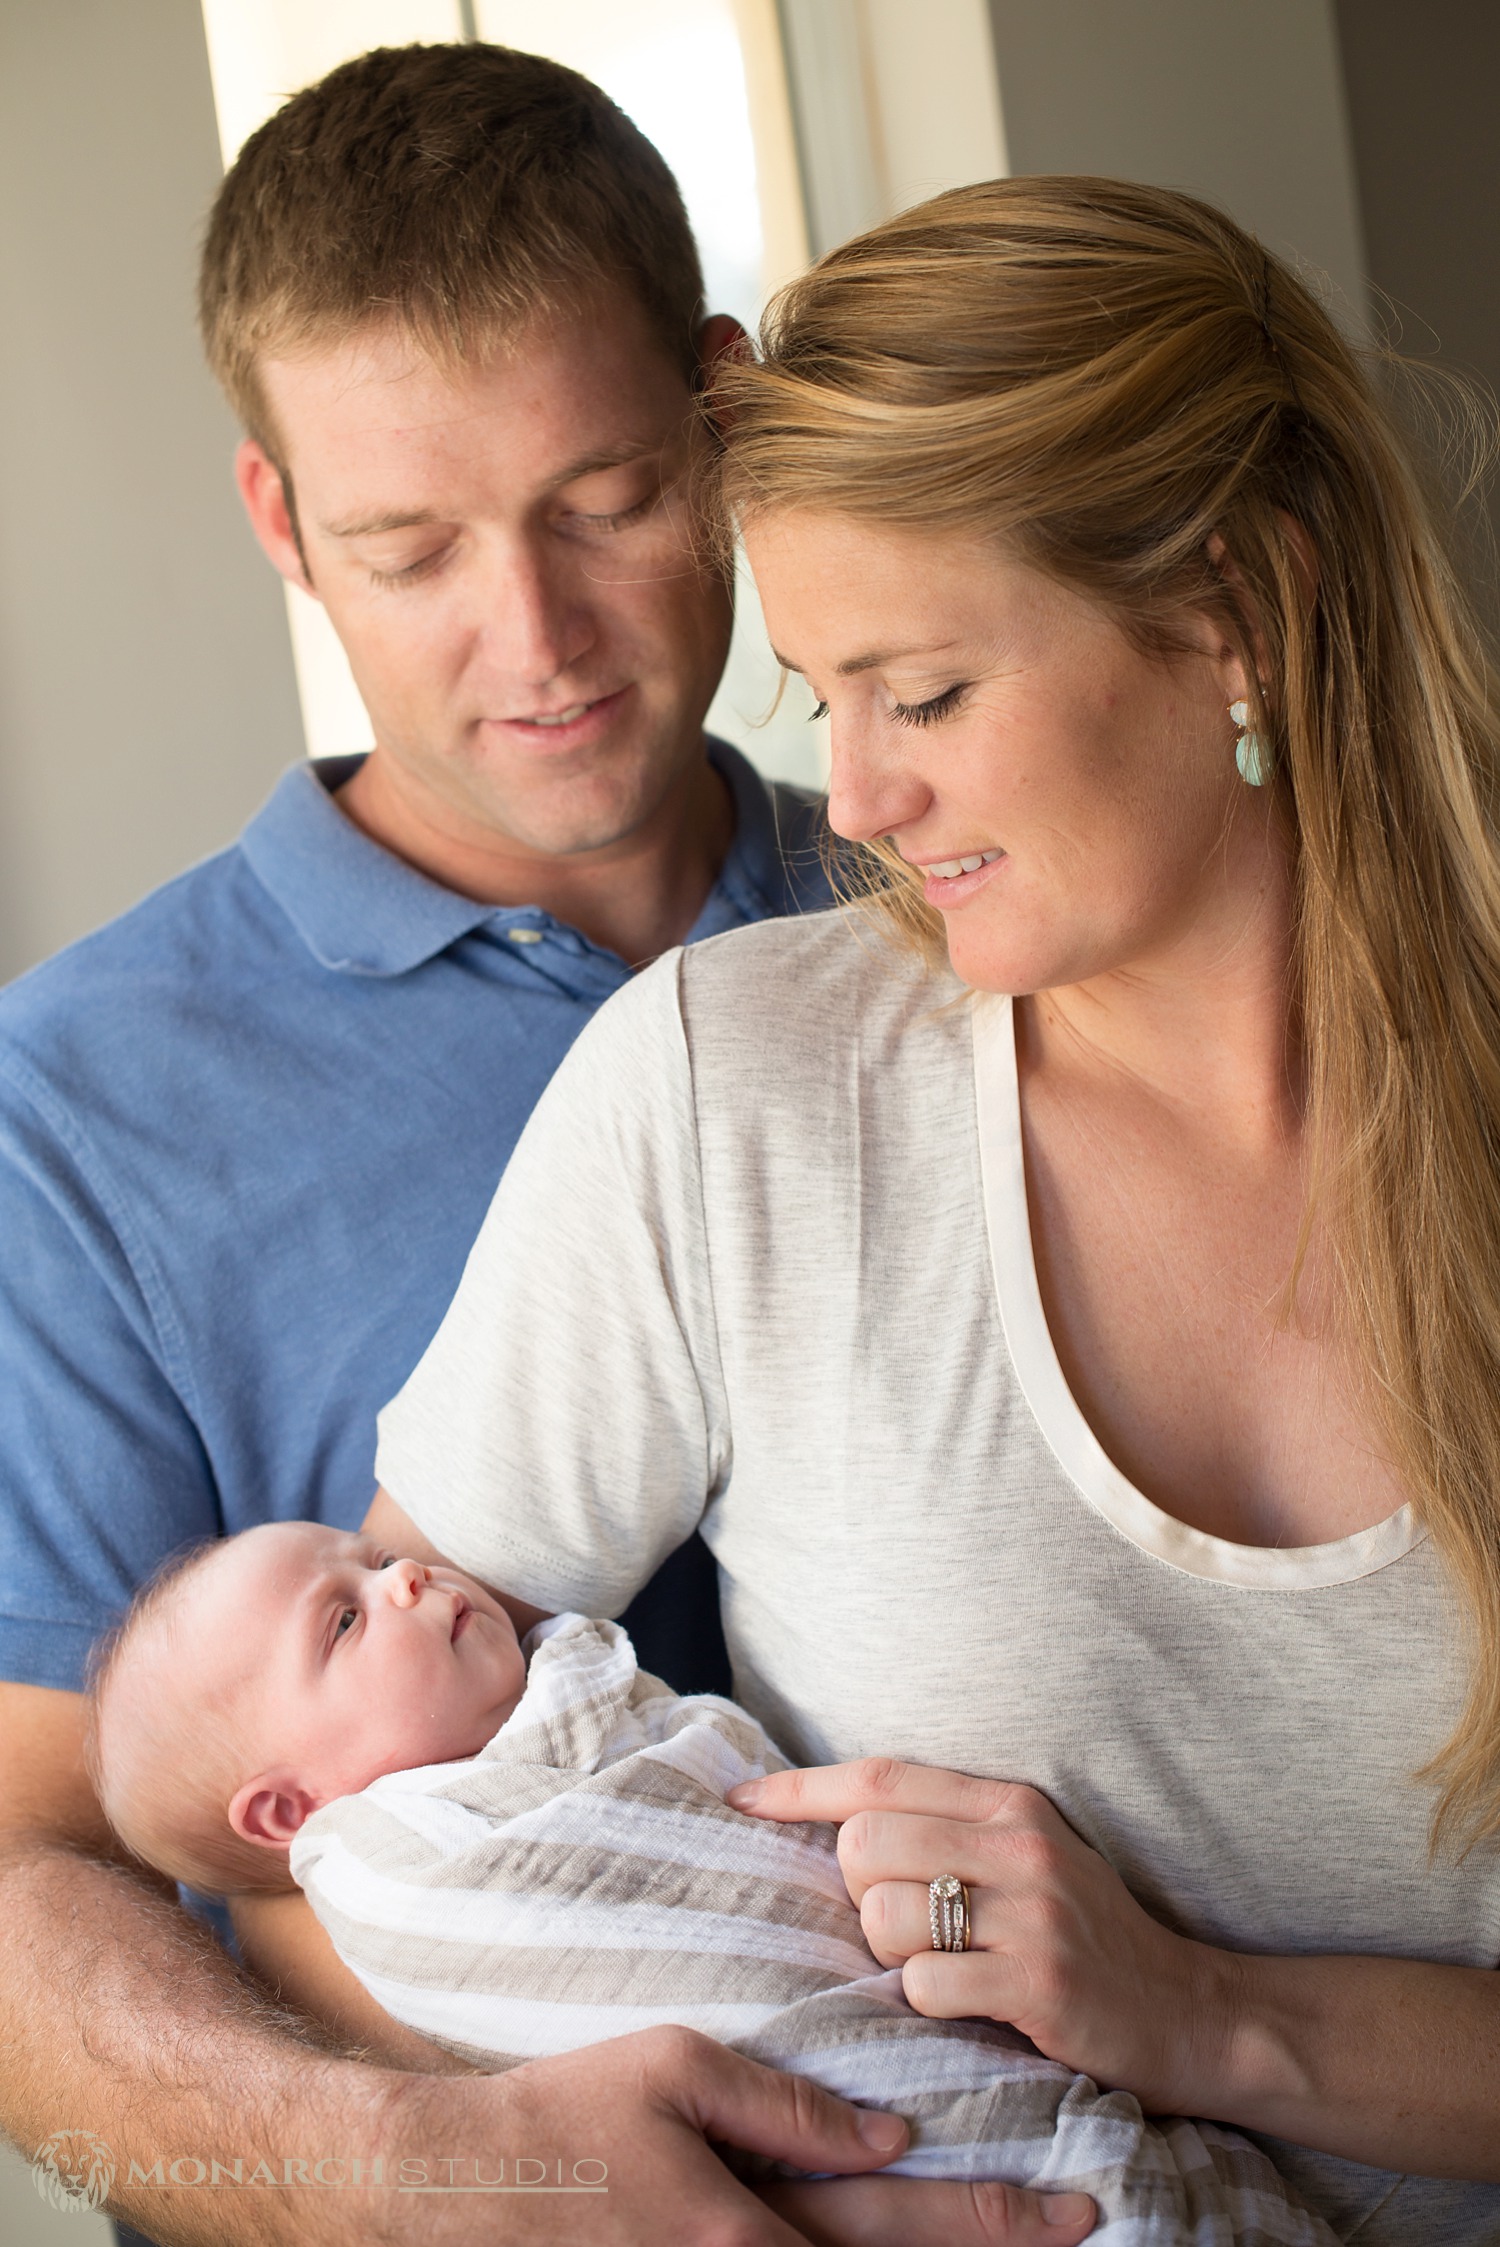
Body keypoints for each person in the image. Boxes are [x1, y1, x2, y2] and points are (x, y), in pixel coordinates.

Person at [306, 176, 1500, 2242]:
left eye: (925, 693)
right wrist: (727, 2185)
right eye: (820, 694)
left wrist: (1211, 2015)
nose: (848, 801)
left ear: (1239, 603)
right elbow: (369, 1815)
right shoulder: (730, 1093)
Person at [0, 41, 1088, 2247]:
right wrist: (428, 2171)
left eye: (606, 500)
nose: (541, 640)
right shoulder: (74, 1108)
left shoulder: (977, 918)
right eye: (410, 546)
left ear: (724, 407)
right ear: (282, 526)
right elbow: (22, 1872)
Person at [89, 1521, 1328, 2242]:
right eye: (346, 1621)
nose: (404, 1575)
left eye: (366, 1559)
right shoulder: (397, 1865)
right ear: (293, 1814)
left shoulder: (597, 1716)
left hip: (1059, 2055)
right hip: (911, 2160)